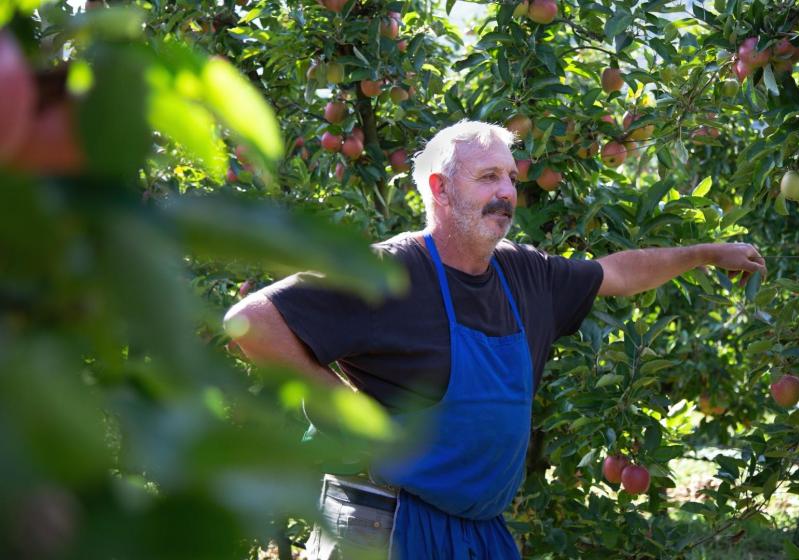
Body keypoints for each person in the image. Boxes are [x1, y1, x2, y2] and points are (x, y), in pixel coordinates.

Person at [225, 120, 766, 559]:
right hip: (385, 521)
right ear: (439, 188)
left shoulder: (524, 273)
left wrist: (707, 252)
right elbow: (251, 319)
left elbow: (617, 273)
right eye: (487, 177)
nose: (507, 192)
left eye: (510, 178)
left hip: (480, 532)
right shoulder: (387, 273)